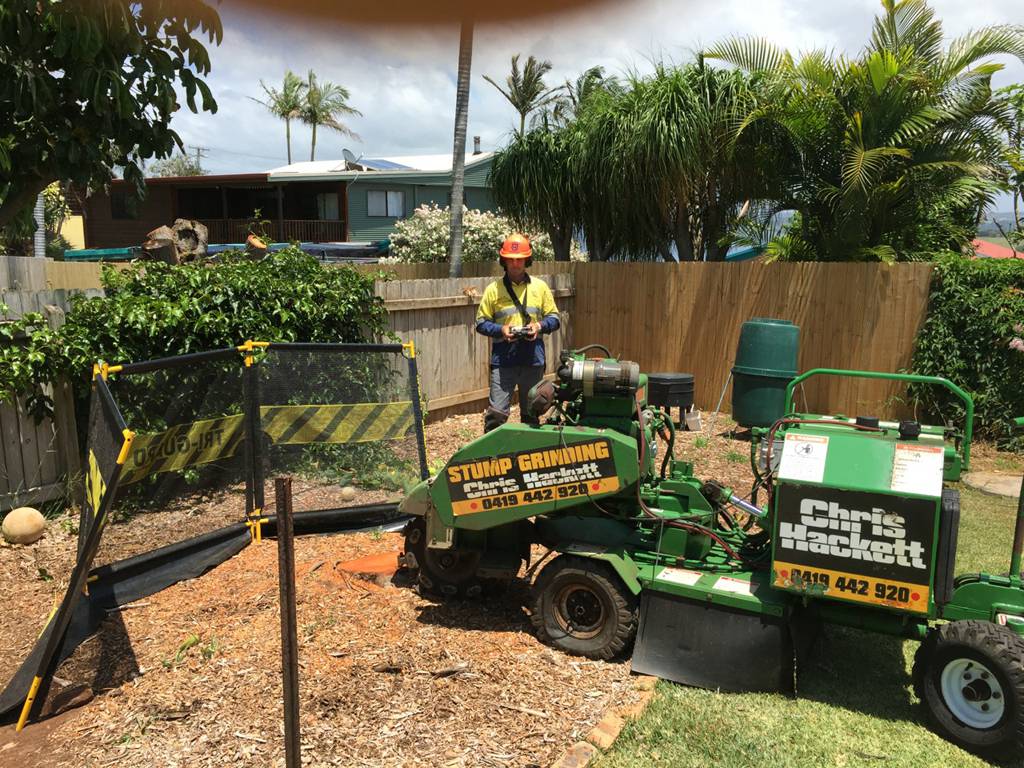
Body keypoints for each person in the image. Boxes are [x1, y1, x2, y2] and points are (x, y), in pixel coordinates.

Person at [475, 233, 560, 432]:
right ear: (504, 261)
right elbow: (480, 323)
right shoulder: (493, 290)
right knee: (496, 415)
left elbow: (555, 319)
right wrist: (501, 329)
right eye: (511, 260)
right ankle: (493, 457)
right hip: (503, 360)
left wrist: (538, 326)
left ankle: (528, 456)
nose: (515, 264)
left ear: (527, 260)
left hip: (533, 359)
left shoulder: (540, 287)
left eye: (519, 259)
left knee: (531, 413)